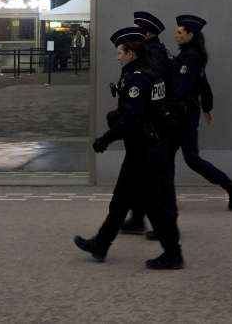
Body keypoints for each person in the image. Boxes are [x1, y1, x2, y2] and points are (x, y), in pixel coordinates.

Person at [74, 27, 183, 269]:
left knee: (152, 205)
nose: (118, 56)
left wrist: (106, 138)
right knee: (122, 200)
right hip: (147, 147)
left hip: (145, 150)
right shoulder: (148, 73)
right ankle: (101, 244)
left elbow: (133, 118)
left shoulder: (137, 77)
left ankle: (173, 253)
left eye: (120, 52)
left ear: (131, 53)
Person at [160, 15, 232, 218]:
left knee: (190, 158)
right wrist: (207, 108)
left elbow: (184, 86)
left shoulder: (191, 58)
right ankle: (168, 201)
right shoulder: (189, 55)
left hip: (183, 115)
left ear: (190, 35)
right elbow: (203, 85)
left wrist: (168, 107)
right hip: (185, 113)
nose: (176, 35)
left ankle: (230, 185)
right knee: (169, 157)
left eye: (180, 32)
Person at [120, 11, 173, 235]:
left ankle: (166, 232)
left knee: (153, 178)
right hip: (151, 123)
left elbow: (149, 89)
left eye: (140, 30)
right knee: (143, 176)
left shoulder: (153, 55)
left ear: (148, 33)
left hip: (150, 125)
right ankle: (138, 218)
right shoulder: (159, 52)